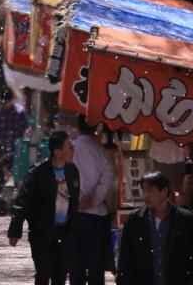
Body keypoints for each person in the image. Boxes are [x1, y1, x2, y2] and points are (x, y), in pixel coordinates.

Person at [7, 130, 80, 285]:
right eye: (69, 146)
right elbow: (22, 202)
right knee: (43, 273)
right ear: (57, 152)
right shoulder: (37, 173)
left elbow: (73, 201)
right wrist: (15, 229)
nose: (73, 149)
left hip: (64, 232)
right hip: (41, 232)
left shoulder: (72, 171)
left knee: (60, 274)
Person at [116, 171, 193, 285]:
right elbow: (125, 258)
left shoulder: (185, 219)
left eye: (151, 190)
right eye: (144, 190)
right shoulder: (135, 220)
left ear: (164, 191)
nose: (146, 195)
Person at [71, 117, 116, 285]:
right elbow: (108, 176)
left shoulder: (70, 149)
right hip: (97, 217)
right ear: (96, 127)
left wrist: (75, 201)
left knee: (76, 264)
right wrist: (94, 200)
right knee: (96, 265)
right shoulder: (101, 152)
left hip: (74, 215)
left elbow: (60, 179)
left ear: (78, 126)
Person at [0, 88, 30, 216]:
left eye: (6, 102)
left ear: (11, 100)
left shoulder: (19, 112)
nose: (4, 104)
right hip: (1, 151)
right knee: (1, 180)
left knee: (14, 180)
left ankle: (10, 205)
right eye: (2, 101)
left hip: (16, 152)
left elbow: (24, 131)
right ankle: (2, 206)